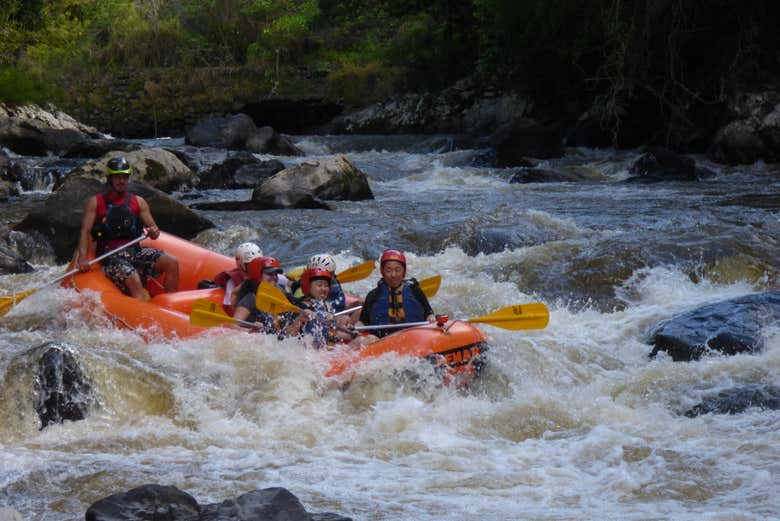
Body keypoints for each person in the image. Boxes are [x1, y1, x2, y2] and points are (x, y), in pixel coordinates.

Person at [75, 156, 178, 301]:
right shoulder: (96, 202)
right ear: (110, 178)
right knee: (134, 279)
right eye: (117, 177)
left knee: (172, 262)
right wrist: (83, 257)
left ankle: (170, 306)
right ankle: (139, 316)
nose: (121, 181)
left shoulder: (139, 202)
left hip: (134, 251)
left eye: (124, 177)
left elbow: (154, 231)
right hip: (109, 255)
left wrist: (154, 231)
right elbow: (85, 231)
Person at [355, 249, 435, 343]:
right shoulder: (373, 295)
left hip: (413, 336)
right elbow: (363, 321)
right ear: (382, 272)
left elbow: (429, 313)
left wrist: (431, 318)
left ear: (403, 272)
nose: (393, 275)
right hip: (382, 340)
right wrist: (356, 327)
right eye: (388, 270)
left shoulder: (415, 290)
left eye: (398, 270)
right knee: (367, 340)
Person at [281, 267, 353, 349]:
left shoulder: (325, 304)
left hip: (324, 347)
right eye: (319, 285)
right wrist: (299, 319)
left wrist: (340, 323)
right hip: (307, 352)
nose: (323, 289)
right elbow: (286, 336)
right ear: (309, 287)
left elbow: (329, 333)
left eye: (326, 285)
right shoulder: (300, 306)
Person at [231, 256, 286, 332]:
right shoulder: (251, 298)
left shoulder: (278, 294)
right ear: (257, 275)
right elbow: (232, 326)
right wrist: (251, 330)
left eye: (276, 274)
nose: (274, 277)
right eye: (270, 274)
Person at [213, 242, 262, 315]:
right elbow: (229, 307)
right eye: (250, 264)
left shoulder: (265, 275)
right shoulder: (233, 281)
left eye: (257, 264)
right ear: (240, 264)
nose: (254, 267)